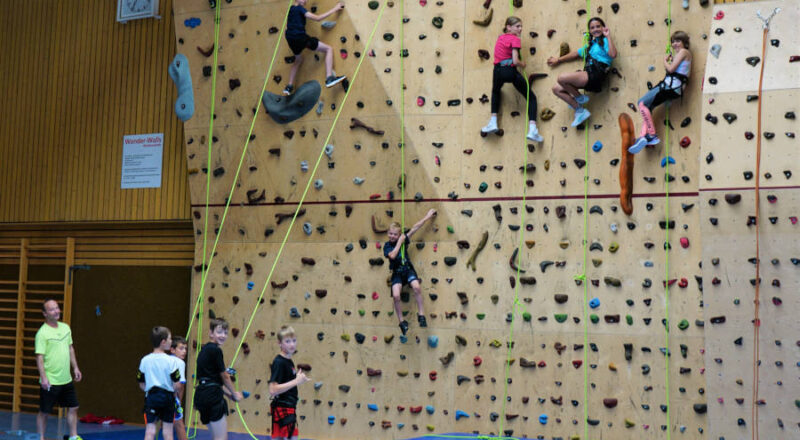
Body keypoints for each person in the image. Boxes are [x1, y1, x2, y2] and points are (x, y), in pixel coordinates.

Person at [628, 31, 692, 154]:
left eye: (678, 41)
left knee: (641, 102)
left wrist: (665, 61)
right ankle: (643, 136)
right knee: (648, 107)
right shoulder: (683, 55)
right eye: (673, 41)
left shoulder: (684, 52)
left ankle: (652, 134)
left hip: (669, 86)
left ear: (684, 42)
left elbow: (671, 69)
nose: (675, 44)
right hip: (674, 88)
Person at [481, 16, 543, 142]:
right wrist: (522, 64)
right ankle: (533, 129)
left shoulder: (500, 38)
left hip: (498, 70)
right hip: (509, 71)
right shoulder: (515, 39)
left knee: (495, 91)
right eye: (517, 26)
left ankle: (493, 121)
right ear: (508, 27)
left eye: (521, 26)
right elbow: (515, 60)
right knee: (531, 98)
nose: (520, 29)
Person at [547, 17, 617, 127]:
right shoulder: (591, 45)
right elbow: (576, 54)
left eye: (598, 26)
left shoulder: (604, 41)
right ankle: (580, 111)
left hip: (596, 74)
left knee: (561, 78)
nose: (595, 29)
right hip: (588, 75)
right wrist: (558, 60)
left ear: (603, 28)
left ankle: (580, 97)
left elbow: (613, 55)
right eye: (592, 28)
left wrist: (608, 36)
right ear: (589, 31)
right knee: (556, 89)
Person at [384, 209, 437, 335]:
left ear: (399, 234)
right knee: (396, 296)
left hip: (407, 270)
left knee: (416, 287)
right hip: (397, 273)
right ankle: (402, 322)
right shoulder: (387, 246)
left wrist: (427, 216)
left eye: (395, 235)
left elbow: (415, 228)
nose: (392, 236)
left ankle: (421, 315)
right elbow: (392, 256)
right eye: (390, 234)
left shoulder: (403, 239)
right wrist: (400, 242)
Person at [35, 299, 82, 440]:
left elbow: (70, 349)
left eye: (57, 308)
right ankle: (40, 437)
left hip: (65, 379)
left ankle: (73, 436)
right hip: (51, 381)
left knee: (74, 407)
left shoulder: (65, 328)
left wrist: (76, 368)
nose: (56, 311)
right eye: (51, 309)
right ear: (44, 313)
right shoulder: (42, 334)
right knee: (44, 412)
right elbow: (39, 357)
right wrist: (43, 377)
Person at [193, 318, 243, 440]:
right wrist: (234, 393)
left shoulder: (204, 350)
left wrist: (229, 395)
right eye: (219, 332)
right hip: (211, 396)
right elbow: (225, 376)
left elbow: (212, 382)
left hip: (201, 395)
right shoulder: (216, 350)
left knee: (216, 436)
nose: (223, 336)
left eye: (226, 333)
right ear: (211, 333)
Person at [283, 0, 347, 95]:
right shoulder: (300, 9)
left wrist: (291, 37)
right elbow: (317, 18)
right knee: (328, 49)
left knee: (298, 60)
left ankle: (289, 86)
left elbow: (286, 28)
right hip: (300, 38)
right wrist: (335, 8)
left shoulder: (291, 9)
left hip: (291, 39)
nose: (306, 0)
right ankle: (329, 78)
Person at [137, 327, 182, 440]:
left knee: (150, 431)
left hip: (151, 397)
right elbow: (177, 385)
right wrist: (174, 392)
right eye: (170, 339)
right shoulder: (172, 361)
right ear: (163, 342)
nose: (171, 341)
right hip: (167, 398)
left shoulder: (145, 360)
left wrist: (149, 390)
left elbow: (141, 384)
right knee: (168, 432)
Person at [268, 326, 309, 440]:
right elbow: (273, 390)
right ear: (279, 343)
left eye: (294, 340)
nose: (292, 344)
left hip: (288, 406)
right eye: (287, 341)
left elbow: (285, 382)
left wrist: (297, 378)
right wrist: (296, 381)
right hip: (284, 408)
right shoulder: (279, 362)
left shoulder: (288, 361)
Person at [170, 336, 189, 440]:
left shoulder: (166, 360)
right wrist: (179, 402)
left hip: (156, 397)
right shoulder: (180, 363)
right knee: (179, 425)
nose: (184, 351)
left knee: (156, 426)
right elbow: (180, 385)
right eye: (181, 348)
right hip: (171, 398)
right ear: (172, 349)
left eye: (185, 348)